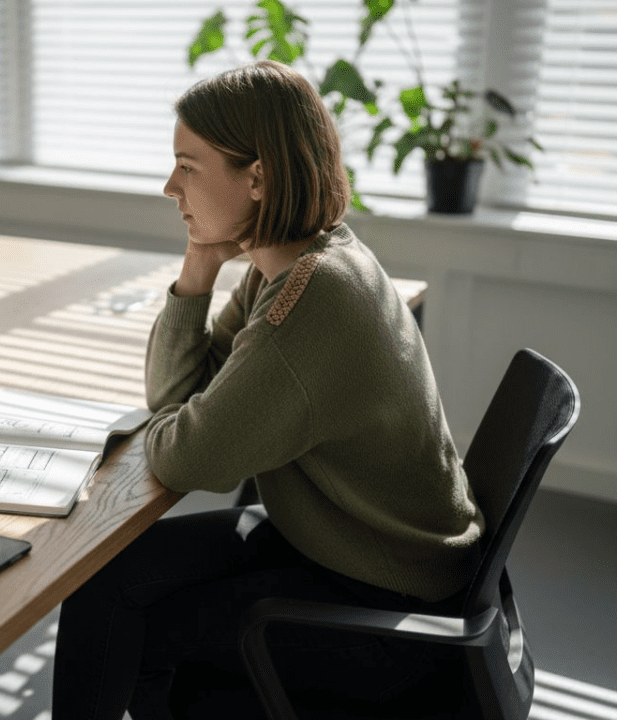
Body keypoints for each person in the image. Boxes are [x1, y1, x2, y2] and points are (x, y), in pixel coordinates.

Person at [52, 60, 484, 720]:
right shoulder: (299, 258)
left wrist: (180, 420)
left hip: (383, 597)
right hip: (340, 538)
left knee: (135, 632)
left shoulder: (309, 302)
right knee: (100, 578)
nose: (169, 186)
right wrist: (200, 262)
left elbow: (188, 459)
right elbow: (177, 392)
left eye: (187, 166)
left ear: (257, 178)